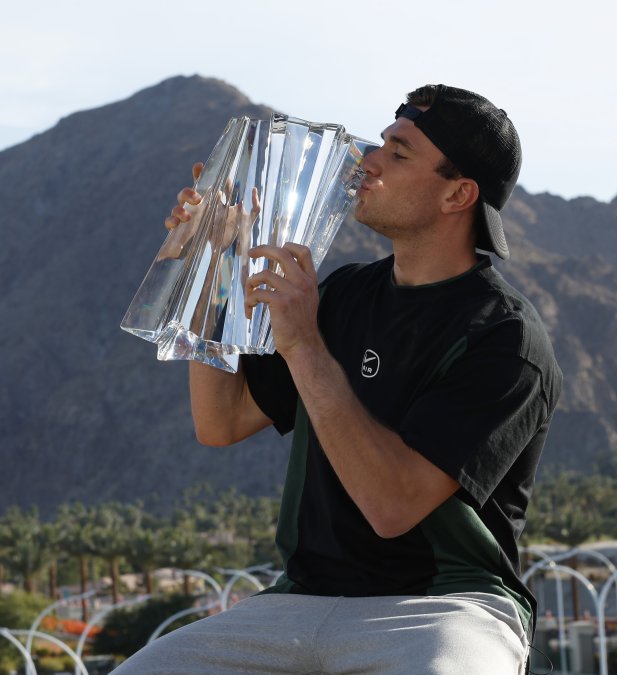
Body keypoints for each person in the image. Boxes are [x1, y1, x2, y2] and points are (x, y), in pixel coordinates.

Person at [117, 84, 561, 674]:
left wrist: (302, 342)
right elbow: (219, 422)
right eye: (380, 144)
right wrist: (214, 262)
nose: (367, 163)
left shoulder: (504, 337)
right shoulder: (345, 293)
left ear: (458, 193)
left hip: (443, 608)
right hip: (300, 599)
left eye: (398, 154)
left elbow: (392, 506)